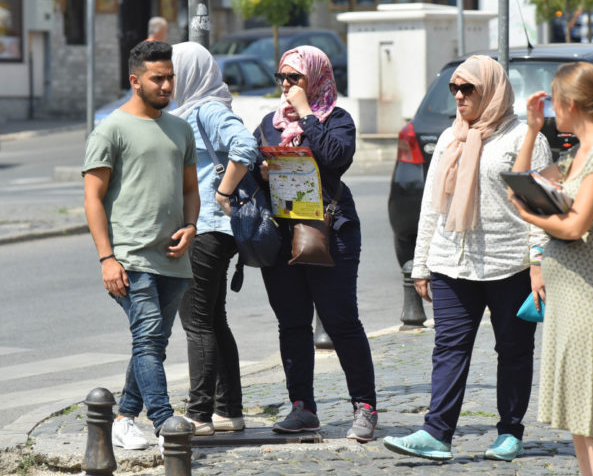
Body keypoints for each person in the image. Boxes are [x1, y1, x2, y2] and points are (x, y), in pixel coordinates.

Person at [382, 55, 552, 462]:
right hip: (451, 264)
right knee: (449, 348)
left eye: (468, 89)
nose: (458, 96)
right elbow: (430, 206)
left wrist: (537, 264)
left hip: (508, 264)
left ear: (490, 90)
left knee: (513, 350)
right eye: (454, 89)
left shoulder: (523, 139)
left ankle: (510, 431)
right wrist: (421, 262)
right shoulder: (449, 138)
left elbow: (540, 209)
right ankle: (436, 433)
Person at [509, 61, 593, 476]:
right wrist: (530, 129)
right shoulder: (579, 152)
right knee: (579, 417)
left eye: (554, 101)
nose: (552, 110)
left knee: (590, 414)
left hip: (587, 293)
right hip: (567, 293)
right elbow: (521, 181)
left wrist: (532, 220)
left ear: (569, 103)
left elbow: (577, 225)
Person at [256, 45, 378, 442]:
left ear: (316, 79)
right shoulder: (269, 125)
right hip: (283, 237)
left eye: (296, 78)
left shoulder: (336, 120)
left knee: (341, 321)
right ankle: (302, 407)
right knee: (292, 324)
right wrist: (259, 171)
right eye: (283, 78)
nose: (288, 86)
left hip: (331, 231)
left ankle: (364, 406)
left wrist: (307, 112)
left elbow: (335, 157)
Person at [83, 40, 199, 451]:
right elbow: (93, 197)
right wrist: (107, 258)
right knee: (149, 336)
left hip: (173, 257)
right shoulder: (111, 128)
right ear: (135, 81)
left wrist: (191, 225)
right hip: (129, 257)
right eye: (158, 78)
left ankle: (124, 418)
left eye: (170, 76)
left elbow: (190, 189)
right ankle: (166, 421)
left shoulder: (180, 128)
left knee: (152, 343)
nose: (167, 84)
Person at [170, 41, 258, 435]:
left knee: (197, 323)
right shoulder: (191, 109)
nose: (170, 82)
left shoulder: (208, 108)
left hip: (207, 227)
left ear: (190, 73)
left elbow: (245, 145)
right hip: (211, 229)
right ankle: (228, 410)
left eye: (173, 73)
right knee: (213, 320)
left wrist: (222, 192)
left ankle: (199, 413)